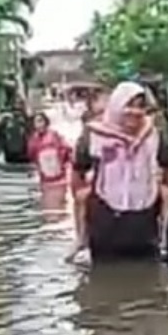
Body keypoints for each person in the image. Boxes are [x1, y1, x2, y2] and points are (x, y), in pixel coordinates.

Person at [68, 82, 168, 264]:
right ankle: (82, 245)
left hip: (144, 219)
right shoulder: (94, 135)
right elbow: (78, 170)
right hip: (104, 218)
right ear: (117, 105)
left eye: (140, 106)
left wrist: (158, 189)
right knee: (102, 280)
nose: (134, 111)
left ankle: (166, 242)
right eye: (129, 105)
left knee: (151, 277)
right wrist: (86, 197)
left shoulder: (153, 135)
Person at [67, 88, 109, 260]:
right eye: (100, 113)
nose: (105, 117)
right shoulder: (89, 138)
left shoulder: (142, 129)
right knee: (81, 196)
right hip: (102, 188)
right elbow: (77, 176)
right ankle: (82, 238)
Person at [27, 111, 72, 190]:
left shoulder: (54, 135)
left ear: (46, 122)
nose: (39, 124)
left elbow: (66, 150)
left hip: (59, 178)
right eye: (36, 122)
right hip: (45, 180)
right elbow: (32, 157)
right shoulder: (33, 140)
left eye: (41, 121)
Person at [0, 96, 31, 164]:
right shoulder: (6, 120)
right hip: (9, 155)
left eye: (20, 103)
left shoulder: (29, 121)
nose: (18, 106)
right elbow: (0, 137)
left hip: (25, 155)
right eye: (16, 103)